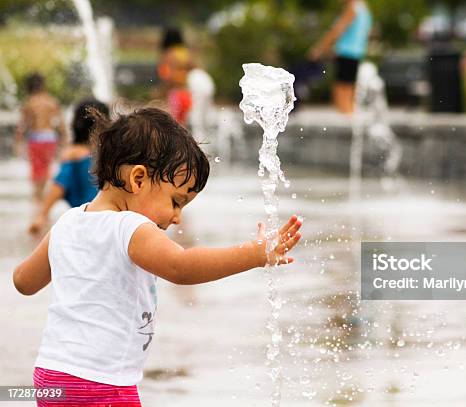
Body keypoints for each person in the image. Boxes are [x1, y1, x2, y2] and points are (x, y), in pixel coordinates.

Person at [13, 108, 302, 406]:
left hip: (52, 376)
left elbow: (23, 280)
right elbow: (181, 267)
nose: (177, 217)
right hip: (102, 382)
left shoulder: (68, 223)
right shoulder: (130, 227)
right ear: (138, 179)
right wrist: (255, 254)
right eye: (176, 202)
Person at [29, 98, 109, 235]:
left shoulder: (77, 154)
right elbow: (59, 185)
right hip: (99, 223)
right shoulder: (85, 156)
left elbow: (59, 184)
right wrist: (42, 215)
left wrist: (42, 215)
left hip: (88, 223)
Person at [309, 0, 372, 114]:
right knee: (350, 93)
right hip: (356, 54)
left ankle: (345, 124)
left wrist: (320, 48)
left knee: (341, 92)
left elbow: (337, 31)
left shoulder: (352, 8)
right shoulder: (364, 8)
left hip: (346, 54)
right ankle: (350, 123)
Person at [14, 73, 68, 203]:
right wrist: (64, 142)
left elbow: (23, 125)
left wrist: (18, 142)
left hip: (36, 138)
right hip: (50, 138)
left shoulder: (29, 102)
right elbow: (61, 125)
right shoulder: (52, 101)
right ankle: (41, 196)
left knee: (36, 169)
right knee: (45, 168)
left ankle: (37, 197)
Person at [157, 27, 195, 125]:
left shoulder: (168, 54)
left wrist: (160, 93)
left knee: (174, 128)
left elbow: (168, 77)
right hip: (188, 94)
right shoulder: (185, 53)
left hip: (176, 95)